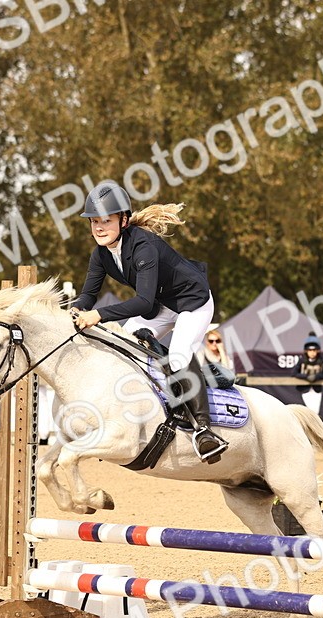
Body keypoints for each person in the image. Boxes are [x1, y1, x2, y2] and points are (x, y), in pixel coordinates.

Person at [69, 180, 227, 463]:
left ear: (124, 220)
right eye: (94, 222)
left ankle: (204, 430)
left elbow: (141, 301)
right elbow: (87, 297)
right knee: (126, 344)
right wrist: (71, 311)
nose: (99, 228)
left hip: (193, 301)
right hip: (163, 305)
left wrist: (97, 316)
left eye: (106, 220)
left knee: (179, 354)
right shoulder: (101, 254)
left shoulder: (143, 245)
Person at [294, 334, 323, 415]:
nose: (312, 353)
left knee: (316, 411)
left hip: (316, 389)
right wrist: (306, 377)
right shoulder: (302, 361)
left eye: (314, 350)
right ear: (306, 351)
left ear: (317, 351)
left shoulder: (321, 361)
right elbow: (294, 373)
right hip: (305, 389)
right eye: (310, 350)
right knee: (308, 411)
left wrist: (317, 377)